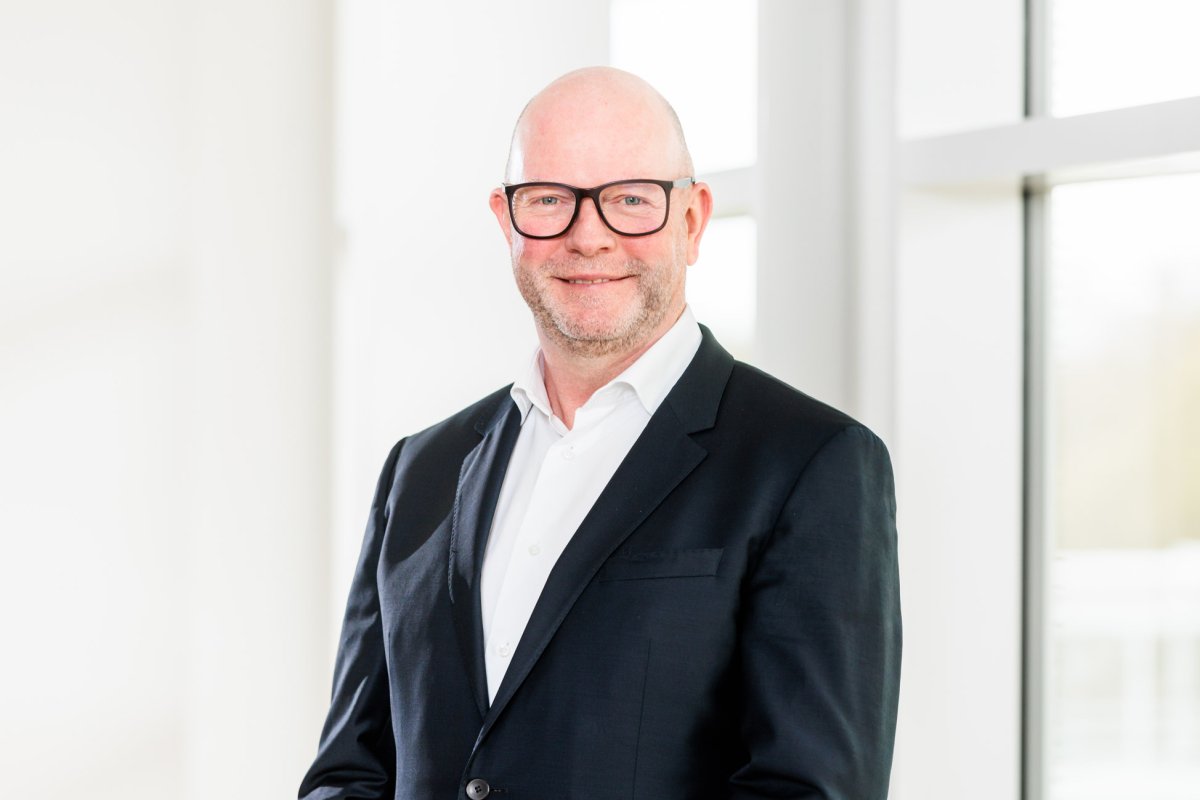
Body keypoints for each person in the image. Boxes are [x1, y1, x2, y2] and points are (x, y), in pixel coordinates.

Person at [299, 66, 901, 800]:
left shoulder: (810, 464)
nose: (589, 237)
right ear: (506, 220)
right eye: (550, 199)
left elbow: (809, 790)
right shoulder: (421, 468)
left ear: (692, 221)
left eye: (631, 200)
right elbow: (350, 771)